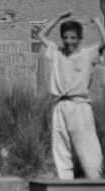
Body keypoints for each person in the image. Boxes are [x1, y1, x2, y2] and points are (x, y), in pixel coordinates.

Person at [38, 11, 105, 180]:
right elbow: (41, 34)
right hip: (60, 105)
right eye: (66, 37)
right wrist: (59, 18)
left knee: (87, 146)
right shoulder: (57, 52)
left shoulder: (87, 54)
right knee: (60, 148)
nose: (69, 41)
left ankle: (96, 182)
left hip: (79, 106)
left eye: (73, 38)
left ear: (79, 38)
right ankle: (65, 184)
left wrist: (98, 23)